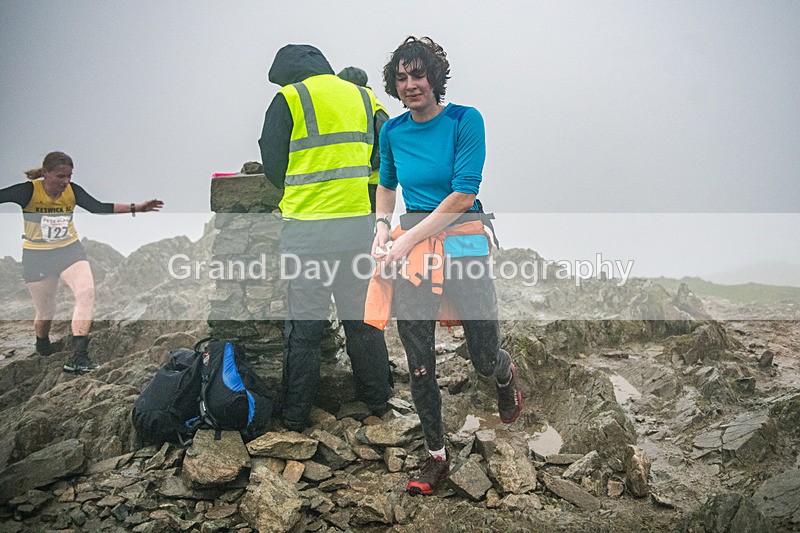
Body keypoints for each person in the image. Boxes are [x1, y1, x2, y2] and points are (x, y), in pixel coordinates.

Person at [370, 36, 523, 496]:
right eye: (401, 77)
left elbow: (462, 193)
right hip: (414, 250)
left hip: (462, 241)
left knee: (480, 356)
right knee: (419, 364)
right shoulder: (392, 131)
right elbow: (387, 184)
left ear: (435, 78)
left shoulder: (465, 120)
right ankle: (436, 455)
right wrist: (382, 227)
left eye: (418, 75)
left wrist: (406, 237)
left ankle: (503, 372)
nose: (411, 84)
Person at [258, 44, 393, 432]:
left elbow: (272, 163)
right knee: (362, 320)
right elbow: (387, 155)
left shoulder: (289, 98)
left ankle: (297, 416)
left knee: (304, 330)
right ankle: (378, 401)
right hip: (356, 229)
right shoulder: (365, 98)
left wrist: (298, 191)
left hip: (307, 232)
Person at [0, 151, 163, 372]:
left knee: (86, 291)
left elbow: (98, 207)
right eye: (60, 176)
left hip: (69, 250)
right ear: (46, 173)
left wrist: (138, 208)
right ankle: (42, 341)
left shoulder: (72, 192)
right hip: (37, 256)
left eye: (69, 176)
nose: (66, 182)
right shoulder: (28, 191)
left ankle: (79, 356)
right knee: (46, 312)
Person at [336, 66, 390, 212]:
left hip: (371, 183)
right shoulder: (369, 105)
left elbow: (384, 146)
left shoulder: (373, 107)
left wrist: (363, 166)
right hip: (357, 182)